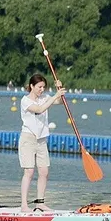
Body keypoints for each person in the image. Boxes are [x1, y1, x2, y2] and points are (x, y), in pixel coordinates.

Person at [19, 73, 65, 213]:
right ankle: (24, 205)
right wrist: (55, 96)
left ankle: (40, 203)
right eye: (39, 87)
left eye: (44, 87)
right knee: (29, 172)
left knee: (44, 172)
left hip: (41, 140)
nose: (42, 90)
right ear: (32, 86)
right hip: (28, 138)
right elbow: (39, 109)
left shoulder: (44, 98)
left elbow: (60, 102)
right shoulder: (25, 101)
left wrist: (60, 90)